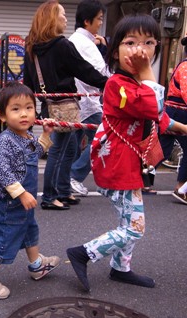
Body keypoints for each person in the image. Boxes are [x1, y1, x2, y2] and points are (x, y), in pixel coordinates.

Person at [66, 14, 187, 292]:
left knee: (126, 220)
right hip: (118, 165)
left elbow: (160, 119)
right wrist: (147, 74)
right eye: (130, 42)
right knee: (135, 227)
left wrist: (182, 127)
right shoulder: (117, 85)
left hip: (128, 162)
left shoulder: (134, 83)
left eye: (148, 42)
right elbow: (151, 109)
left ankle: (121, 268)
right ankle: (83, 253)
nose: (140, 50)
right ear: (115, 50)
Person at [0, 81, 60, 300]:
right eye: (16, 109)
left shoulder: (28, 136)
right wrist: (21, 193)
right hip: (11, 203)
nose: (24, 114)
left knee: (30, 230)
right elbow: (2, 172)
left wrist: (46, 134)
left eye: (29, 108)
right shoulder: (5, 142)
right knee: (5, 237)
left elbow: (36, 151)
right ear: (2, 116)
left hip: (25, 200)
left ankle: (36, 265)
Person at [23, 0, 108, 210]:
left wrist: (28, 107)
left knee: (68, 148)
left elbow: (28, 82)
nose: (66, 18)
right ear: (52, 18)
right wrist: (110, 83)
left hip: (47, 105)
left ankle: (63, 190)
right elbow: (84, 70)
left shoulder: (32, 47)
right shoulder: (61, 45)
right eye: (62, 14)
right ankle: (50, 196)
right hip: (65, 106)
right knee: (59, 150)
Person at [68, 0, 111, 197]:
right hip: (88, 101)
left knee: (74, 143)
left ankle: (65, 180)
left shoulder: (75, 40)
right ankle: (74, 176)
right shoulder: (85, 43)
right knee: (104, 135)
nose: (101, 23)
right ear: (87, 21)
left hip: (76, 100)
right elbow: (100, 72)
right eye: (99, 19)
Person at [159, 35, 187, 204]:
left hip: (172, 111)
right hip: (180, 113)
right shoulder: (186, 67)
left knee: (162, 148)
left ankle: (140, 180)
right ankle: (181, 186)